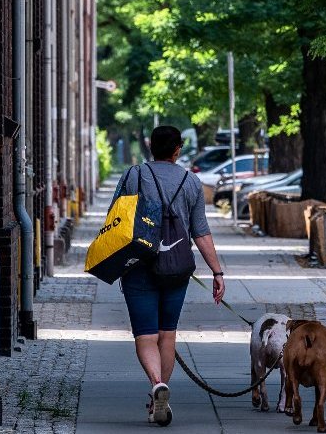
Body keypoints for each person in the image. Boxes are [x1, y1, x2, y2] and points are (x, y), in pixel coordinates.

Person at [118, 125, 228, 426]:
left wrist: (112, 265)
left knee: (145, 335)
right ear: (177, 149)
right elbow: (201, 232)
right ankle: (158, 399)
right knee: (167, 335)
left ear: (150, 147)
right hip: (177, 267)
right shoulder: (191, 182)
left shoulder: (134, 176)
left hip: (139, 266)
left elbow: (116, 222)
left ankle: (156, 384)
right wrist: (217, 272)